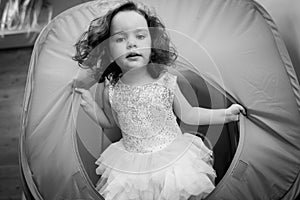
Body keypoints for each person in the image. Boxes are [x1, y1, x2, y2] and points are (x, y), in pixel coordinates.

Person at [73, 1, 245, 199]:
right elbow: (111, 123)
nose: (131, 43)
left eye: (140, 36)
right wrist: (91, 106)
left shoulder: (164, 80)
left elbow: (189, 114)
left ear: (152, 43)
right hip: (131, 167)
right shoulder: (111, 87)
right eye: (120, 39)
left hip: (172, 162)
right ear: (108, 49)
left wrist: (226, 114)